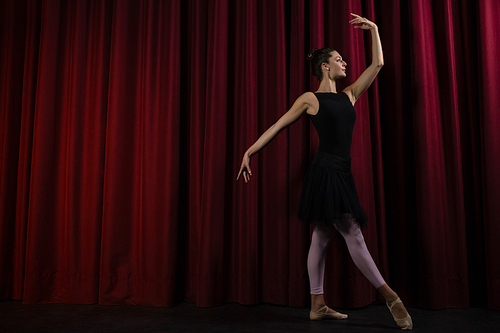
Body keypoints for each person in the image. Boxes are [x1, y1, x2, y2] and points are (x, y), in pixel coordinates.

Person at [236, 13, 413, 330]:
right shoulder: (309, 98)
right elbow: (278, 126)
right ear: (325, 67)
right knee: (353, 234)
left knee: (321, 236)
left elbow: (378, 66)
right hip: (325, 174)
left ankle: (317, 305)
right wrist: (250, 151)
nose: (345, 63)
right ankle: (390, 296)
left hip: (341, 175)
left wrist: (373, 30)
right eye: (339, 60)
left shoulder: (350, 95)